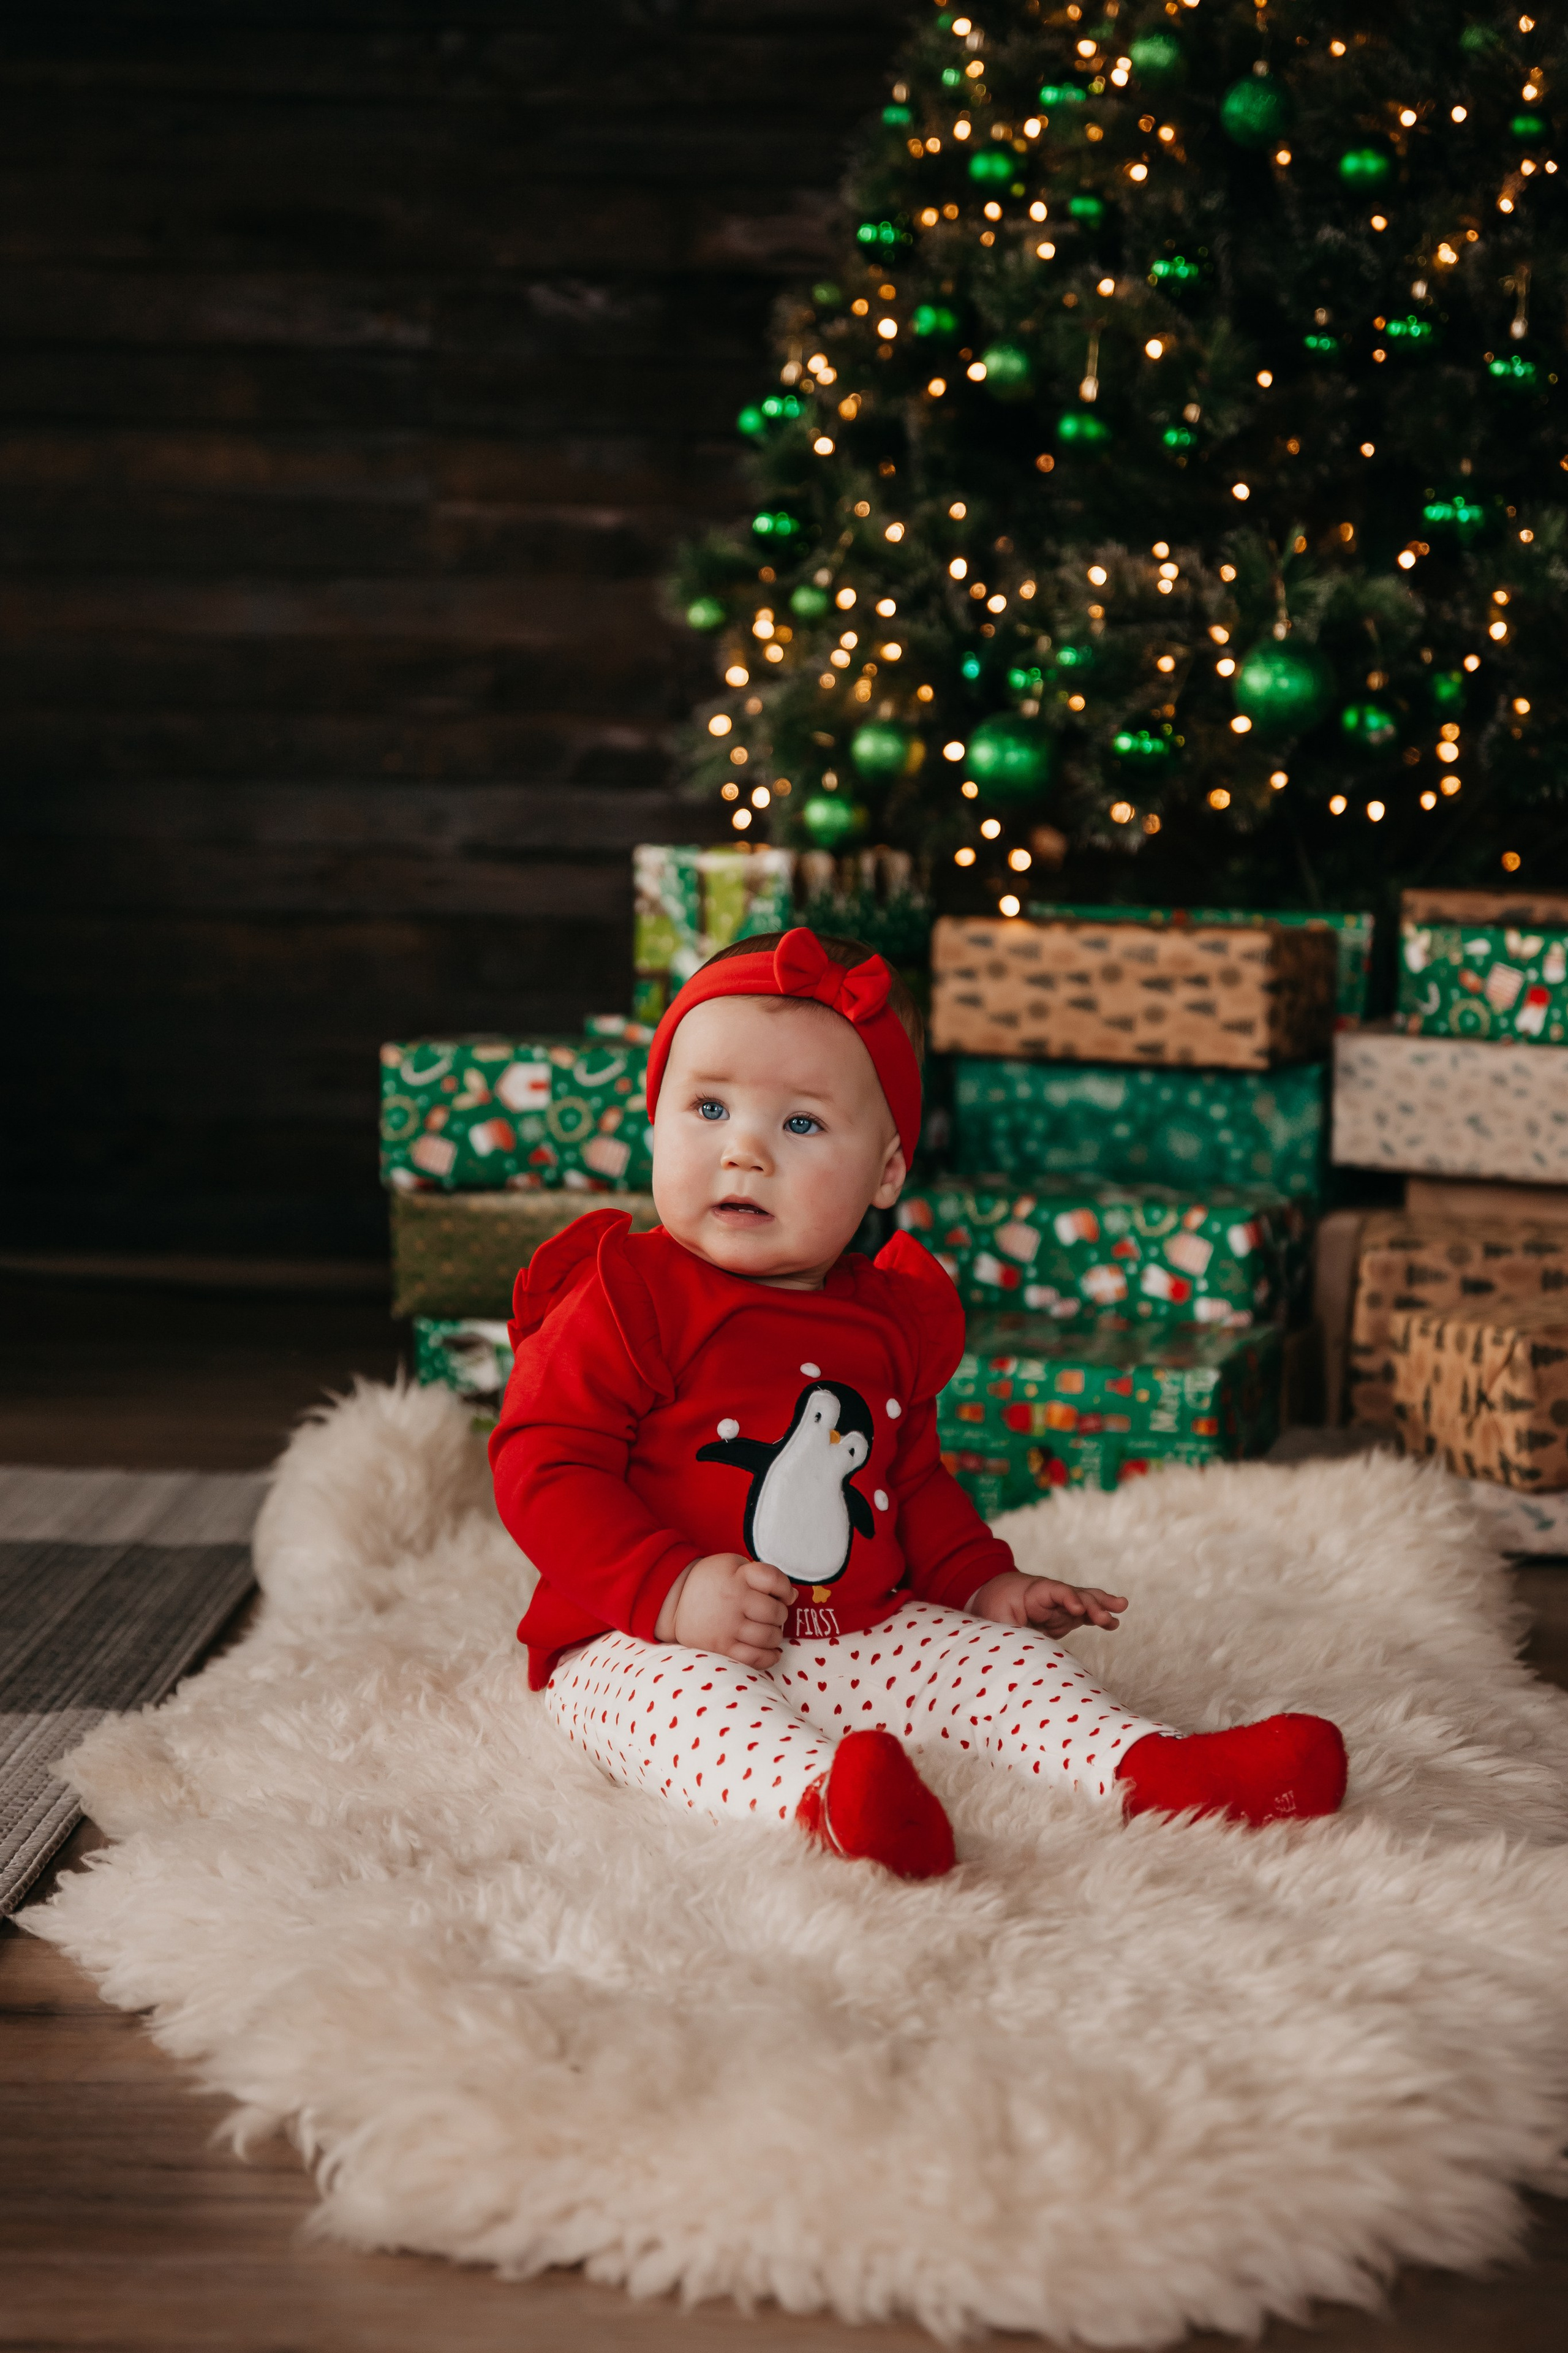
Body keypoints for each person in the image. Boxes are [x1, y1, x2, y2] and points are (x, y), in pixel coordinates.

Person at [489, 927, 1346, 1880]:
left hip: (853, 1626)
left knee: (1003, 1665)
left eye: (801, 1124)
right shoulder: (630, 1294)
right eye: (707, 1107)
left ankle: (1156, 1770)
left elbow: (911, 1480)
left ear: (888, 1172)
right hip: (638, 1635)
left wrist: (986, 1585)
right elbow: (543, 1462)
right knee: (694, 1714)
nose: (743, 1152)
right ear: (655, 1121)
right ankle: (830, 1805)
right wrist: (670, 1589)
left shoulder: (886, 1319)